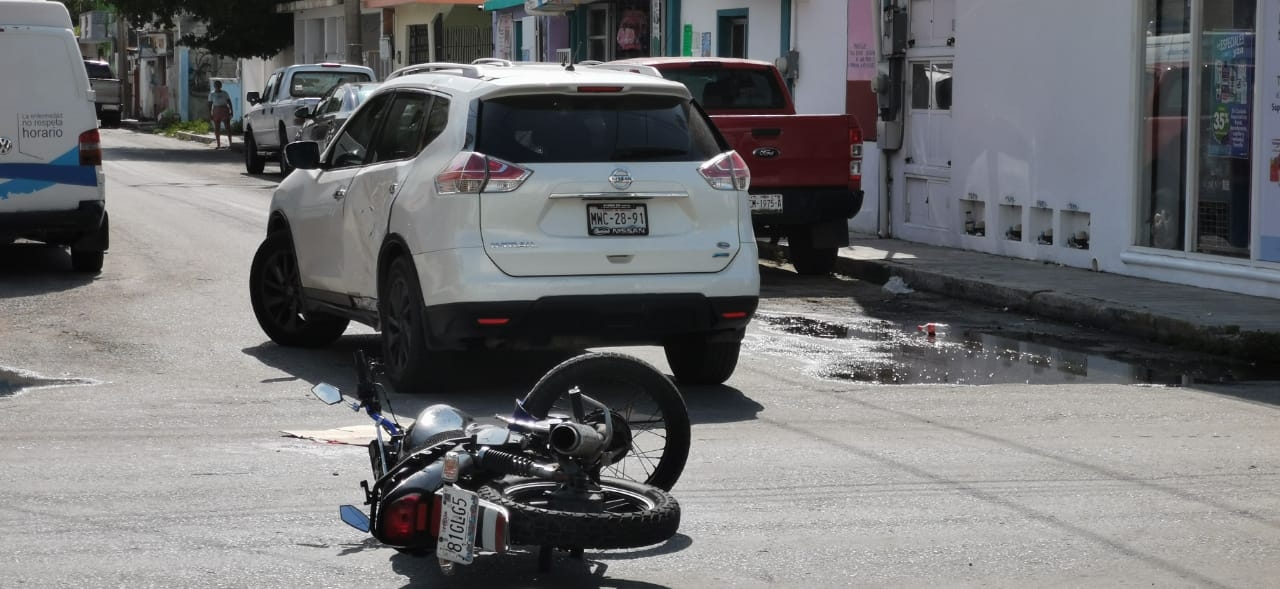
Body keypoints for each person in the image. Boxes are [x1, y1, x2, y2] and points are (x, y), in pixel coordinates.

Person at [208, 80, 233, 149]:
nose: (218, 87)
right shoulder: (211, 94)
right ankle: (218, 144)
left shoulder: (225, 93)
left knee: (227, 127)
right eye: (216, 85)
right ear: (214, 86)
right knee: (217, 128)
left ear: (221, 86)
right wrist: (210, 114)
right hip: (216, 110)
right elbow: (210, 104)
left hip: (224, 110)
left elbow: (229, 102)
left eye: (219, 85)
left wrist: (231, 111)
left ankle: (231, 143)